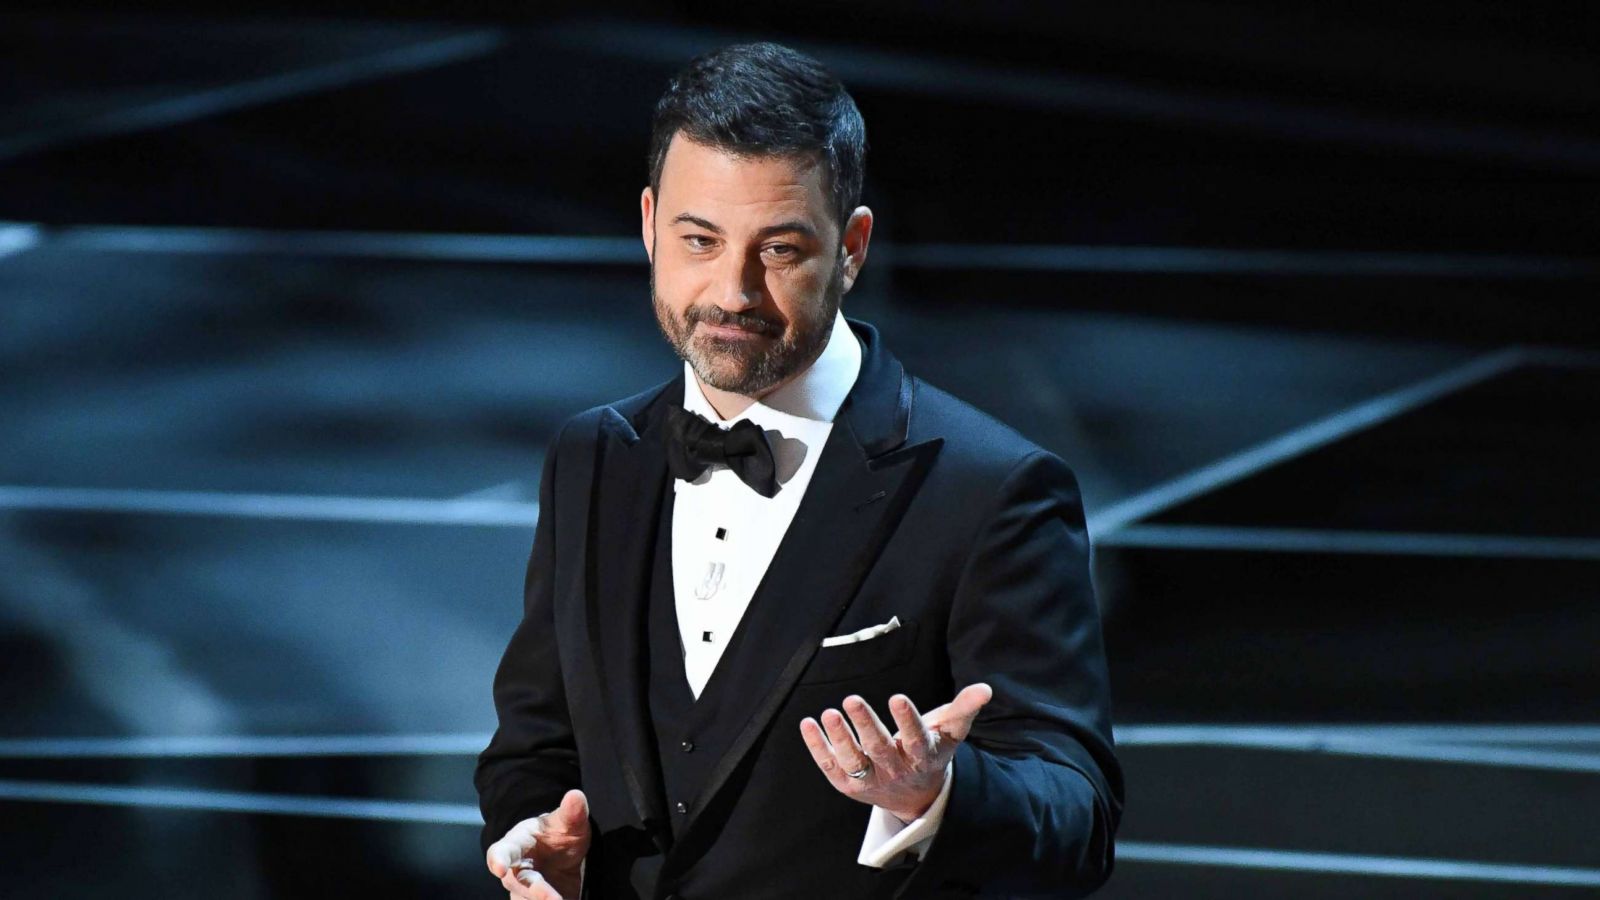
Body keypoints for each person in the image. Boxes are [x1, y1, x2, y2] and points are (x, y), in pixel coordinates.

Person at [475, 41, 1122, 899]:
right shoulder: (592, 455)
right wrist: (530, 832)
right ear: (647, 226)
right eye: (698, 240)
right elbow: (535, 743)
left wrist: (934, 794)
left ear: (852, 248)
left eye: (778, 250)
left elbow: (1077, 816)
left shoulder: (989, 490)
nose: (733, 291)